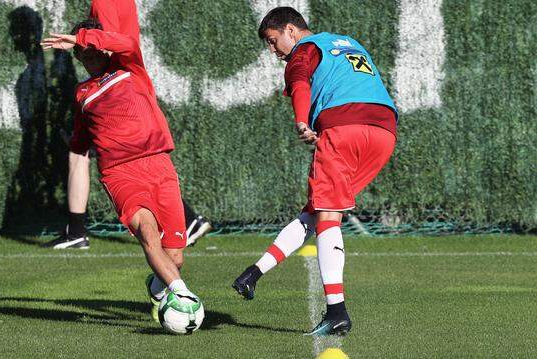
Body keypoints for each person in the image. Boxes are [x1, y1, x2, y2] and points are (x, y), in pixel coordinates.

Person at [232, 7, 397, 336]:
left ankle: (337, 311)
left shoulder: (304, 50)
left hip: (344, 127)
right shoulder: (348, 42)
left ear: (291, 30)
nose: (273, 50)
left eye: (272, 40)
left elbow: (299, 83)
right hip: (384, 132)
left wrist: (301, 120)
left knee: (327, 217)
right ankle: (254, 273)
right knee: (318, 211)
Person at [40, 17, 200, 323]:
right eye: (82, 51)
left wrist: (83, 37)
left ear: (102, 44)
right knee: (146, 231)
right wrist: (72, 145)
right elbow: (81, 141)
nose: (89, 54)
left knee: (175, 256)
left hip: (158, 164)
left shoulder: (129, 68)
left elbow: (127, 43)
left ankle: (160, 285)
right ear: (77, 58)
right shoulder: (82, 94)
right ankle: (184, 296)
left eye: (92, 47)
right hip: (119, 173)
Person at [43, 0, 211, 250]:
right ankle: (185, 221)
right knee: (82, 150)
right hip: (125, 80)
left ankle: (77, 230)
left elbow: (109, 45)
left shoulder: (104, 2)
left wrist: (82, 40)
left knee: (87, 153)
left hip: (117, 86)